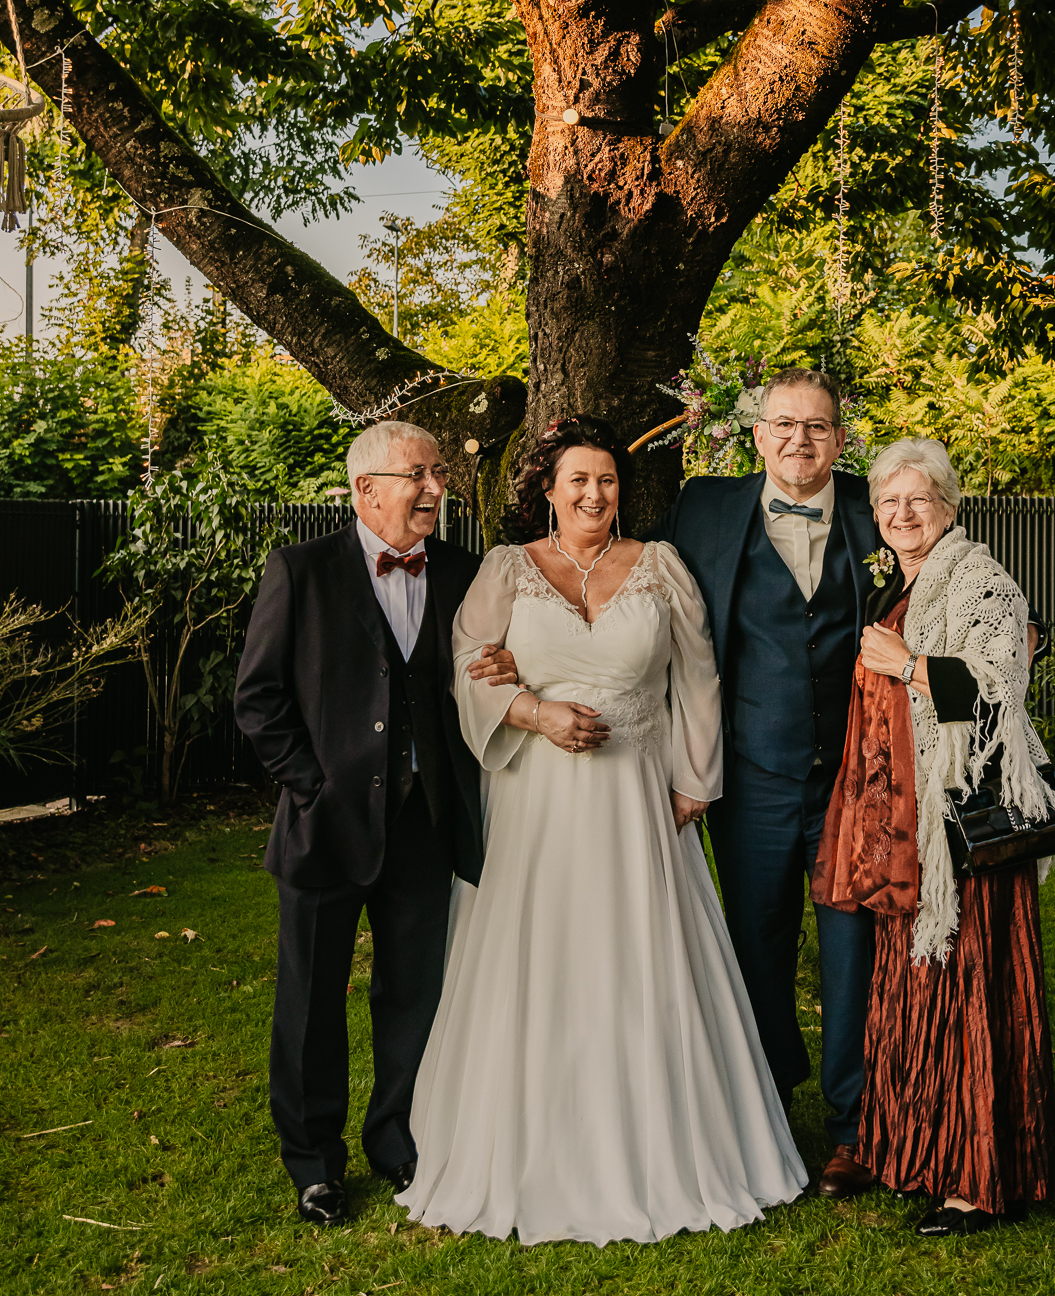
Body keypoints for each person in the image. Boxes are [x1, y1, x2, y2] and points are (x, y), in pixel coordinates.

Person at [401, 416, 806, 1246]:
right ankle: (534, 1148)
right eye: (578, 480)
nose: (594, 494)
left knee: (640, 959)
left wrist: (694, 780)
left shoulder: (662, 567)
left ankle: (665, 1144)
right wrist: (532, 710)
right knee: (543, 959)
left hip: (637, 800)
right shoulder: (507, 571)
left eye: (608, 480)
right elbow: (468, 668)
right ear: (547, 491)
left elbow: (699, 677)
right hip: (536, 799)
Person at [234, 419, 518, 1227]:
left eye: (438, 473)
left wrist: (508, 667)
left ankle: (399, 1139)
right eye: (417, 474)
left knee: (415, 994)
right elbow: (258, 698)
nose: (435, 488)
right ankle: (314, 1164)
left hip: (427, 823)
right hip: (325, 825)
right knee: (311, 1001)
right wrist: (312, 786)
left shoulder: (463, 572)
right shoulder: (301, 570)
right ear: (366, 489)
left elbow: (481, 673)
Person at [812, 437, 1055, 1235]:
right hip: (906, 830)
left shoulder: (978, 578)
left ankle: (976, 1181)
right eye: (888, 501)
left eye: (918, 498)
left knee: (966, 994)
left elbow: (998, 692)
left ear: (949, 506)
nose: (903, 513)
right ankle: (922, 1154)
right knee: (917, 996)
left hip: (961, 836)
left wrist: (908, 663)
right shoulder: (903, 583)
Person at [655, 368, 882, 1199]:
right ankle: (766, 1119)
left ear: (841, 439)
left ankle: (856, 1128)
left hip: (854, 782)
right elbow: (627, 586)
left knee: (855, 953)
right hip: (749, 779)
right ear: (757, 435)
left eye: (816, 426)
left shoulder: (877, 507)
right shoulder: (704, 509)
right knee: (756, 950)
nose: (799, 440)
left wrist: (1018, 626)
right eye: (783, 424)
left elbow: (949, 566)